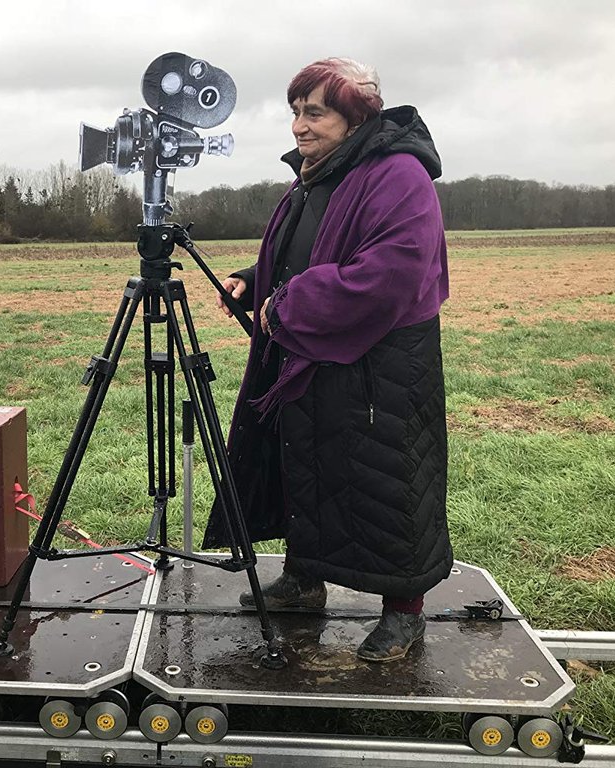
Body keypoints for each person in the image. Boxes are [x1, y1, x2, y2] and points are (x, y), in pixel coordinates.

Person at [204, 57, 452, 662]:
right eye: (296, 111)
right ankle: (304, 579)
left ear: (354, 115)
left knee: (386, 481)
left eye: (314, 112)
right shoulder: (318, 174)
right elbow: (302, 254)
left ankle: (404, 613)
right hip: (311, 354)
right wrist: (253, 279)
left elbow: (390, 273)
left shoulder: (398, 173)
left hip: (382, 367)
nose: (298, 126)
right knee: (306, 468)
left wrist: (290, 304)